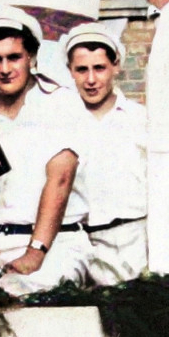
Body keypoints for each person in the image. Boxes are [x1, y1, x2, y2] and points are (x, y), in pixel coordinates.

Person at [0, 9, 95, 294]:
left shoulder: (60, 102)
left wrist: (35, 252)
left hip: (54, 246)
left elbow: (61, 179)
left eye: (14, 57)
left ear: (31, 57)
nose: (5, 69)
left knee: (24, 295)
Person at [63, 24, 146, 284]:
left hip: (129, 243)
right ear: (70, 71)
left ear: (116, 66)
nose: (90, 80)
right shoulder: (60, 121)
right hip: (74, 241)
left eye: (99, 68)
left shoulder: (141, 119)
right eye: (81, 70)